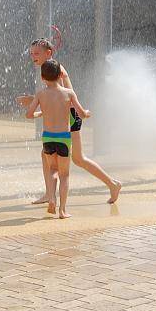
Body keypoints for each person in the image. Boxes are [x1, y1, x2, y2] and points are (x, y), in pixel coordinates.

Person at [17, 38, 122, 204]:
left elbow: (62, 96)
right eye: (31, 53)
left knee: (76, 158)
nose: (33, 56)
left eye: (36, 53)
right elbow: (54, 96)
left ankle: (112, 184)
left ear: (48, 53)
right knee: (54, 156)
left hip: (71, 116)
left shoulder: (57, 69)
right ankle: (49, 194)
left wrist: (32, 100)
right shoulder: (48, 68)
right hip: (70, 114)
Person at [24, 59, 89, 219]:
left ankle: (51, 198)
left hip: (47, 137)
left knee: (52, 170)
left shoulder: (40, 94)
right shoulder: (69, 93)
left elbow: (29, 115)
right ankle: (62, 210)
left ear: (42, 77)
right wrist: (87, 113)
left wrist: (40, 113)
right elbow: (80, 114)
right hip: (64, 138)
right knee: (64, 174)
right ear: (61, 75)